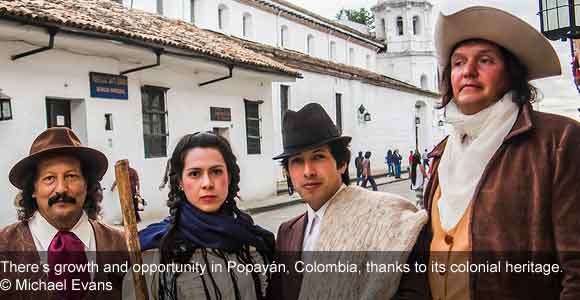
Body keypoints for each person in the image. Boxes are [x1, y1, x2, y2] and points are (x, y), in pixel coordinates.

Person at [401, 6, 580, 299]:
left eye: (484, 60)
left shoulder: (558, 141)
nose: (468, 71)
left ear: (511, 73)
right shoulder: (442, 155)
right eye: (458, 63)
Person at [269, 103, 427, 300]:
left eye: (318, 157)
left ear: (342, 163)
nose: (308, 171)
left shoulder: (388, 218)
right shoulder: (287, 232)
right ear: (288, 173)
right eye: (297, 161)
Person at [137, 132, 275, 299]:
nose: (207, 183)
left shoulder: (255, 241)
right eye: (195, 174)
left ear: (229, 177)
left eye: (216, 171)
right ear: (180, 182)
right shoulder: (156, 251)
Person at [0, 127, 128, 299]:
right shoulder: (3, 246)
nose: (61, 189)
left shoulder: (122, 245)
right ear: (33, 189)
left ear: (86, 184)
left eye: (71, 176)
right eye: (49, 178)